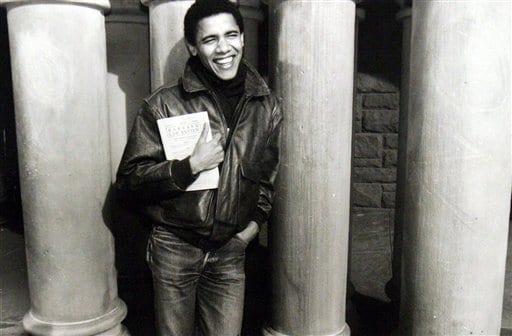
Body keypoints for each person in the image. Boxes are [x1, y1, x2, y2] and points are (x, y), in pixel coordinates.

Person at [115, 0, 282, 335]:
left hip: (231, 249)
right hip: (175, 247)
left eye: (231, 35)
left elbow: (267, 178)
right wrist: (188, 166)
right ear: (193, 47)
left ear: (243, 39)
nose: (224, 48)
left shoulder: (266, 105)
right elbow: (130, 182)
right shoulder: (163, 104)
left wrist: (250, 229)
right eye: (210, 40)